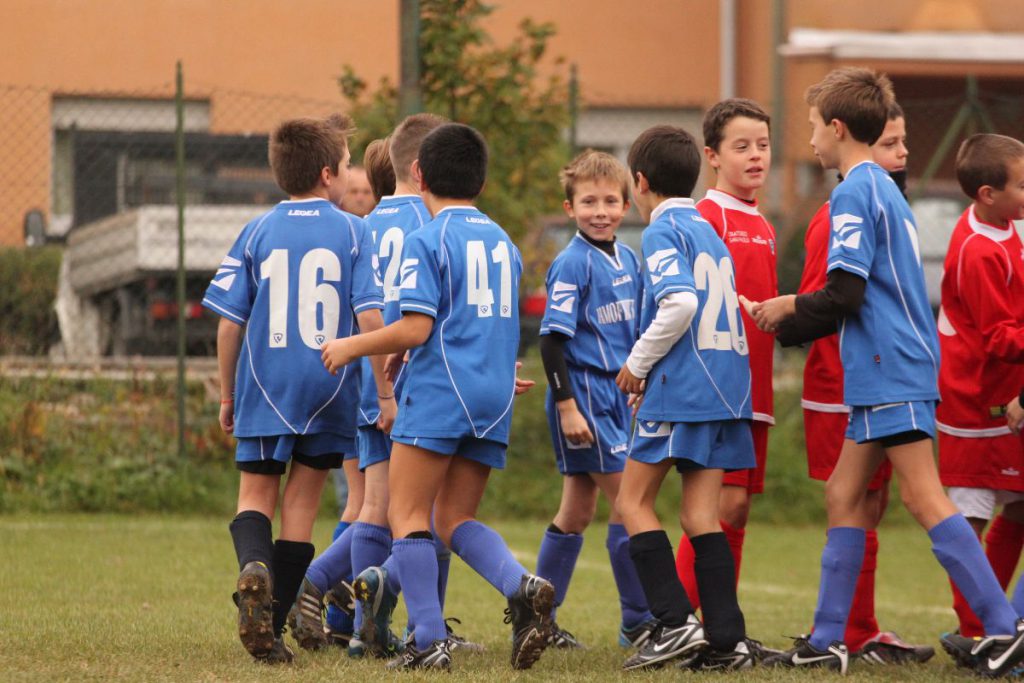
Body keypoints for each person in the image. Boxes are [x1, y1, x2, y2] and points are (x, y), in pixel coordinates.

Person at [746, 67, 1024, 677]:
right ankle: (828, 639)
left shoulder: (853, 191)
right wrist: (792, 320)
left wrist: (789, 309)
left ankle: (1004, 630)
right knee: (844, 495)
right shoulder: (882, 189)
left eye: (814, 127)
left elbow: (844, 292)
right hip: (884, 367)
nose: (810, 138)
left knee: (925, 498)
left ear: (838, 128)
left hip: (887, 365)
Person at [320, 123, 554, 671]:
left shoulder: (428, 238)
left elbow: (417, 328)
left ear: (418, 174)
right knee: (454, 517)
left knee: (406, 514)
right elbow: (487, 324)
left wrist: (352, 346)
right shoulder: (503, 241)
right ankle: (520, 586)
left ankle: (427, 640)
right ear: (482, 179)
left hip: (440, 391)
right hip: (492, 395)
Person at [203, 114, 392, 664]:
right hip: (332, 383)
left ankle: (252, 570)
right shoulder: (356, 231)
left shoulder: (257, 230)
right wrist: (383, 394)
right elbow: (371, 316)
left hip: (267, 382)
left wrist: (227, 394)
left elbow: (228, 322)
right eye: (349, 165)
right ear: (330, 173)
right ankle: (275, 625)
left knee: (255, 495)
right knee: (303, 502)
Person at [613, 125, 760, 671]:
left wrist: (637, 364)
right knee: (701, 516)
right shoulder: (706, 229)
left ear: (639, 183)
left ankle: (674, 624)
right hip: (726, 390)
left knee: (632, 503)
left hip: (687, 392)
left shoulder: (661, 231)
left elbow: (679, 305)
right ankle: (727, 639)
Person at [794, 101, 933, 664]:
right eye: (892, 143)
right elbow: (822, 301)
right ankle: (853, 632)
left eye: (903, 143)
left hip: (881, 375)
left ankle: (853, 632)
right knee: (858, 502)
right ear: (859, 139)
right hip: (842, 384)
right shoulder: (841, 209)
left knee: (873, 503)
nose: (902, 154)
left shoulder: (882, 202)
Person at [534, 150, 655, 650]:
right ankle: (640, 621)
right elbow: (550, 340)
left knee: (577, 513)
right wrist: (567, 407)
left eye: (609, 200)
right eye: (588, 201)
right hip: (583, 394)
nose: (599, 210)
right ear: (569, 207)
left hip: (618, 394)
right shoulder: (571, 263)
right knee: (631, 503)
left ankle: (538, 619)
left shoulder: (630, 259)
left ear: (626, 205)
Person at [286, 135, 402, 653]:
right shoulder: (391, 227)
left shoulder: (364, 227)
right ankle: (328, 598)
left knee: (366, 503)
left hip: (361, 383)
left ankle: (330, 604)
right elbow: (374, 314)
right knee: (390, 507)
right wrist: (383, 390)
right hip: (384, 384)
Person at [673, 98, 777, 609]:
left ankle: (718, 620)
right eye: (742, 147)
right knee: (719, 506)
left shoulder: (762, 221)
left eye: (763, 145)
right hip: (720, 388)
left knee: (738, 511)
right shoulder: (706, 217)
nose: (755, 156)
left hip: (757, 388)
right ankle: (675, 619)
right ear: (712, 156)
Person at [938, 133, 1024, 639]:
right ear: (988, 194)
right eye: (1022, 184)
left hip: (1008, 394)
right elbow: (998, 338)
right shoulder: (978, 251)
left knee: (1018, 506)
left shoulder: (1005, 225)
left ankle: (999, 623)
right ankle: (976, 631)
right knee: (970, 515)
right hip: (976, 402)